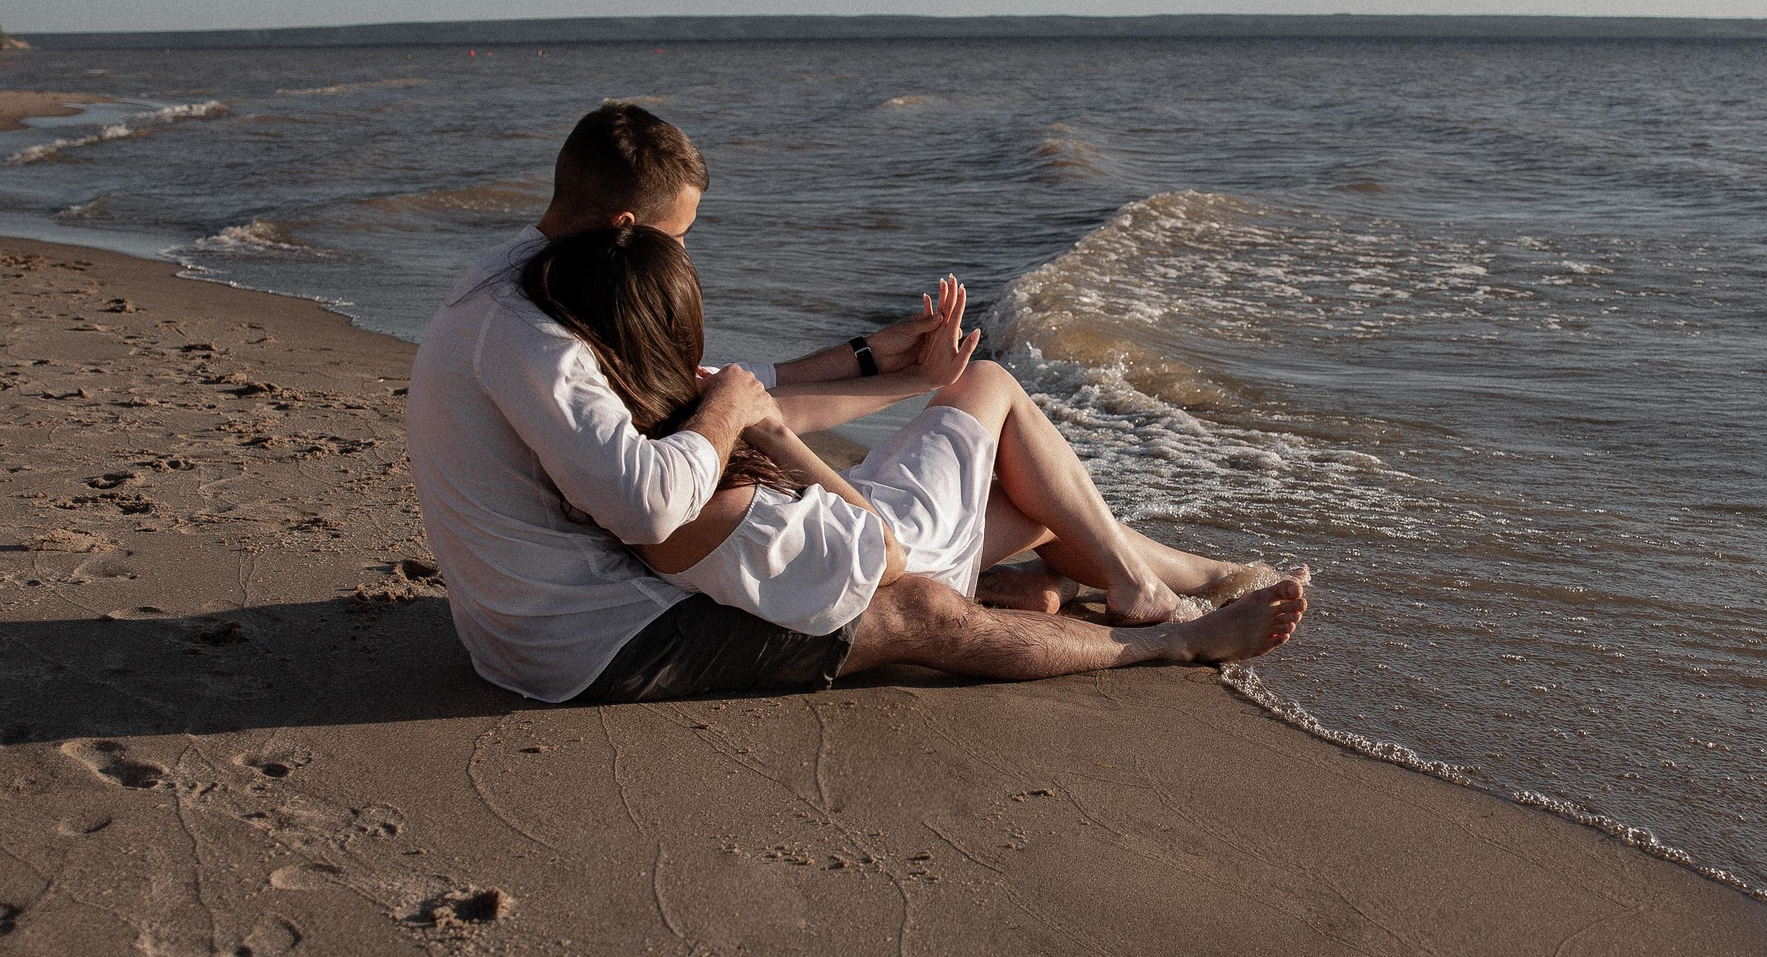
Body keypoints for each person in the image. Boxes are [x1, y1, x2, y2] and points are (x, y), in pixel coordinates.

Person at [406, 102, 1305, 706]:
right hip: (595, 636)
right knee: (922, 611)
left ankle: (1163, 578)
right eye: (679, 242)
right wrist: (745, 414)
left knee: (995, 507)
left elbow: (706, 392)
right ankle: (1169, 636)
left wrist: (881, 361)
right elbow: (662, 481)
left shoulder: (546, 287)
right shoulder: (528, 329)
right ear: (626, 235)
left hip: (578, 600)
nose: (684, 262)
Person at [514, 224, 1308, 702]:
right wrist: (781, 439)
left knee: (1034, 502)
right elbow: (884, 555)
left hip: (822, 526)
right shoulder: (692, 494)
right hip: (866, 544)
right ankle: (1150, 598)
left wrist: (894, 378)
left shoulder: (613, 415)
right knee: (993, 390)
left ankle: (1185, 575)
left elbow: (769, 398)